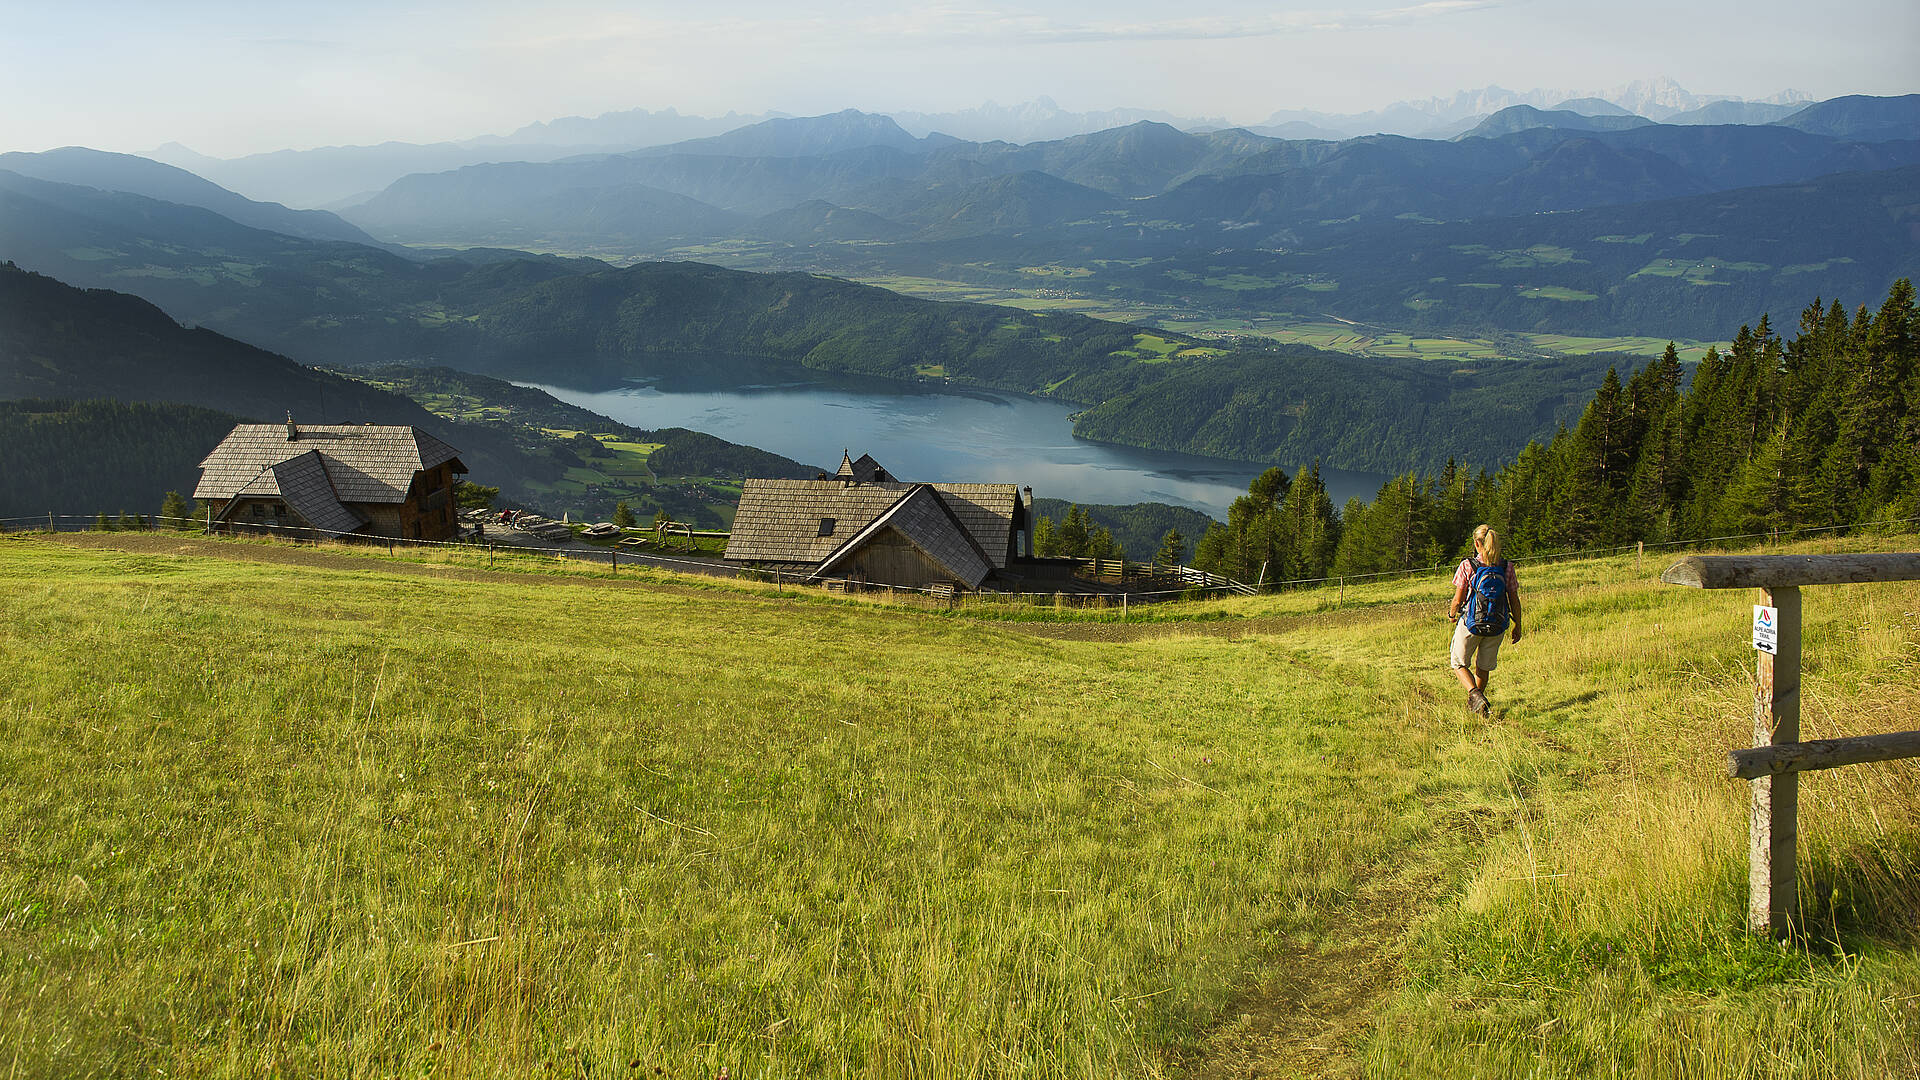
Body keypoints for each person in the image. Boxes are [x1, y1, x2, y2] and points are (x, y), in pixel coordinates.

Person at [1447, 524, 1521, 716]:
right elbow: (1514, 600)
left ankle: (1475, 695)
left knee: (1458, 662)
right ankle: (1479, 707)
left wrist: (1452, 614)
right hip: (1497, 624)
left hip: (1472, 623)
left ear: (1477, 543)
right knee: (1483, 666)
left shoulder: (1468, 565)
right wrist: (1517, 625)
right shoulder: (1506, 567)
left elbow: (1458, 599)